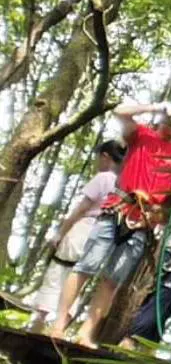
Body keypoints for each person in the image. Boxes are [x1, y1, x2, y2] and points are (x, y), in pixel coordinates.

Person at [53, 98, 171, 344]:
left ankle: (86, 333)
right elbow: (120, 112)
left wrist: (156, 214)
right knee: (86, 266)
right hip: (117, 209)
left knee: (111, 280)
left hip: (144, 223)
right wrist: (157, 107)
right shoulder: (142, 135)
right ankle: (58, 325)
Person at [23, 141, 125, 331]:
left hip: (84, 228)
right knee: (79, 278)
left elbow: (81, 208)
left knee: (59, 270)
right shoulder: (123, 183)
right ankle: (60, 326)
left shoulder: (104, 178)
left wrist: (60, 233)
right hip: (103, 235)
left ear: (105, 157)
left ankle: (39, 322)